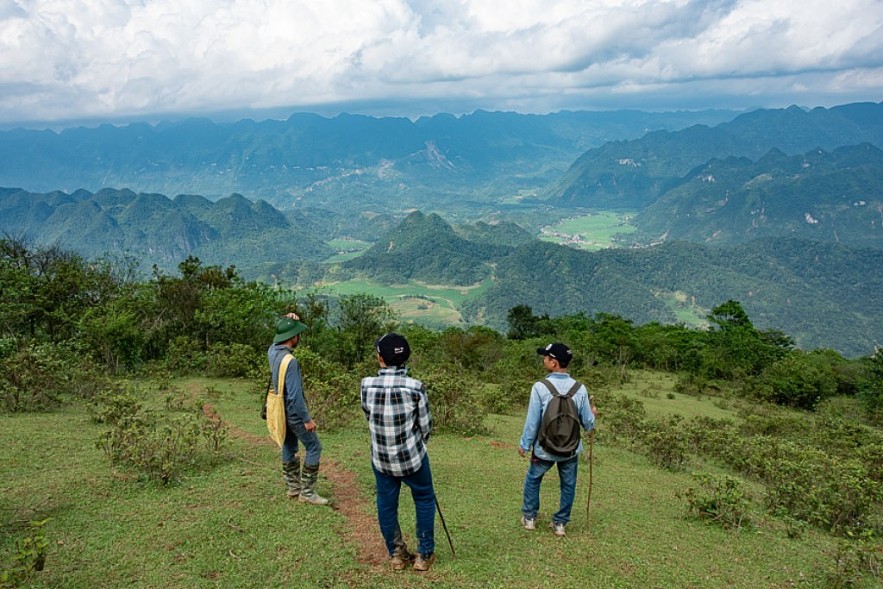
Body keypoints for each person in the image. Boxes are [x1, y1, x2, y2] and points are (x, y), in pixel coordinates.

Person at [360, 333, 437, 572]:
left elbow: (368, 416)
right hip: (412, 458)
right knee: (424, 499)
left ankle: (396, 554)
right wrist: (417, 444)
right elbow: (425, 426)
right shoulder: (415, 387)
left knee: (386, 503)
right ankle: (423, 555)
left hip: (381, 458)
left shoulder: (367, 384)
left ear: (379, 357)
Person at [518, 342, 596, 537]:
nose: (544, 359)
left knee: (533, 479)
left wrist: (525, 444)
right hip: (570, 449)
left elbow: (533, 420)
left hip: (544, 447)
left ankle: (529, 518)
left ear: (553, 363)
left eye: (546, 357)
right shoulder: (580, 388)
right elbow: (588, 423)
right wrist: (593, 414)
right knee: (568, 484)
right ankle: (560, 523)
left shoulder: (540, 387)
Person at [268, 313, 329, 506]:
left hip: (280, 411)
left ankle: (293, 487)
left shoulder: (273, 352)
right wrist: (307, 419)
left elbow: (274, 341)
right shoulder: (290, 361)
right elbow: (295, 396)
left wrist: (285, 321)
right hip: (293, 413)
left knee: (289, 445)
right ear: (293, 337)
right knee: (314, 447)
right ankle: (308, 492)